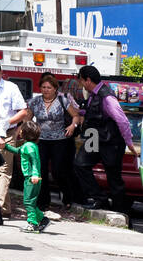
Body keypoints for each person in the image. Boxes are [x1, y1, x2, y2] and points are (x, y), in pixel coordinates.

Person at [73, 65, 138, 212]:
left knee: (113, 178)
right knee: (80, 164)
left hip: (111, 142)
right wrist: (79, 109)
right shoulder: (93, 94)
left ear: (88, 80)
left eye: (82, 81)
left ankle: (121, 213)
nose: (82, 84)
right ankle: (100, 199)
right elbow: (93, 112)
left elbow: (122, 121)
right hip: (94, 137)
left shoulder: (107, 97)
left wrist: (129, 143)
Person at [0, 59, 29, 223]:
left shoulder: (11, 88)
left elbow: (23, 111)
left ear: (1, 73)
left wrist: (6, 123)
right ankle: (5, 208)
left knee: (2, 171)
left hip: (6, 133)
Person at [28, 73, 80, 210]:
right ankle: (44, 201)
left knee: (58, 170)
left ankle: (67, 196)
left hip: (59, 140)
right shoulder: (35, 101)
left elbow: (76, 116)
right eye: (43, 87)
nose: (46, 90)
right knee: (41, 170)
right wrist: (28, 131)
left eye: (49, 87)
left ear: (55, 89)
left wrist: (72, 126)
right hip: (41, 140)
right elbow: (27, 119)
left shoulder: (63, 100)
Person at [7, 121, 48, 233]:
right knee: (31, 201)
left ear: (25, 133)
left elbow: (34, 161)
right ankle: (42, 219)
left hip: (31, 178)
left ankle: (33, 224)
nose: (19, 131)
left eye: (21, 129)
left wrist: (34, 174)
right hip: (30, 178)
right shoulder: (29, 145)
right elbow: (17, 151)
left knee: (28, 202)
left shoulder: (29, 146)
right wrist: (5, 146)